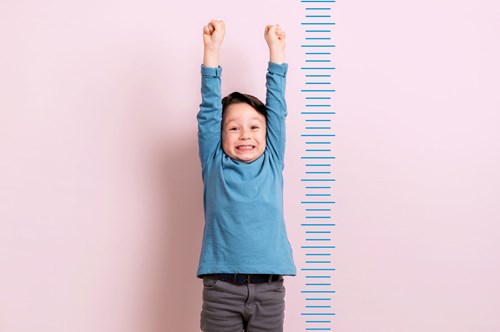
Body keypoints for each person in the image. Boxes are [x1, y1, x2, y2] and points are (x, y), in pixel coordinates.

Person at [197, 19, 296, 332]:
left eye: (254, 127)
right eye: (234, 127)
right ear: (220, 134)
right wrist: (211, 52)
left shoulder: (272, 159)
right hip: (221, 291)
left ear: (267, 134)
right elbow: (210, 109)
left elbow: (276, 109)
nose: (245, 135)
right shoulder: (214, 162)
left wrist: (276, 53)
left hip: (269, 290)